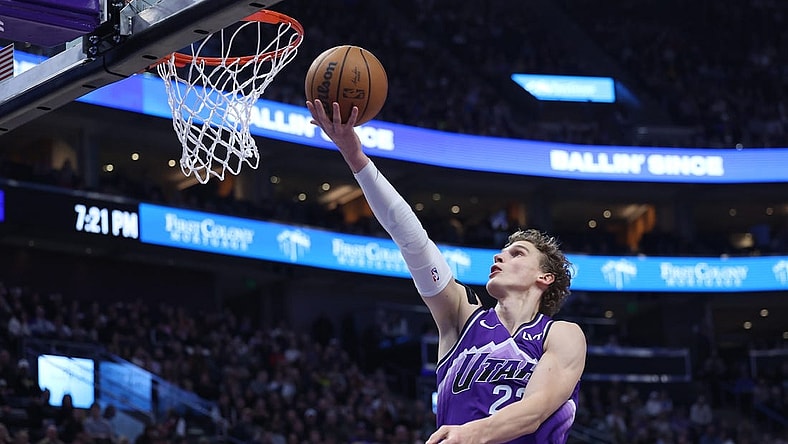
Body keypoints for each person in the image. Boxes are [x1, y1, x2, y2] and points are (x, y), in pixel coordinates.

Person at [306, 99, 587, 443]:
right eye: (501, 251)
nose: (499, 257)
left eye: (517, 253)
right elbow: (412, 240)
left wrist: (471, 434)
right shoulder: (461, 317)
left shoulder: (560, 334)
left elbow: (536, 411)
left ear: (545, 278)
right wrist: (355, 157)